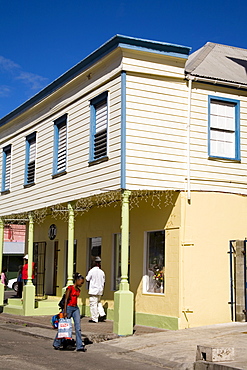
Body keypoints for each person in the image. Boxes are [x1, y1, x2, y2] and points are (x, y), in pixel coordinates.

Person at [53, 273, 86, 352]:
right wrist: (64, 311)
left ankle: (79, 346)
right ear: (77, 280)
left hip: (75, 308)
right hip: (68, 308)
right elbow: (66, 300)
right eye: (81, 282)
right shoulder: (70, 288)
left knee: (78, 327)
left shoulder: (78, 290)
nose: (82, 284)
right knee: (64, 326)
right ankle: (56, 343)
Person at [86, 256, 106, 323]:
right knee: (98, 302)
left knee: (93, 304)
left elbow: (87, 279)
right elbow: (104, 281)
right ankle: (102, 313)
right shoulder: (102, 272)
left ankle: (95, 318)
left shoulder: (91, 271)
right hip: (100, 290)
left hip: (93, 290)